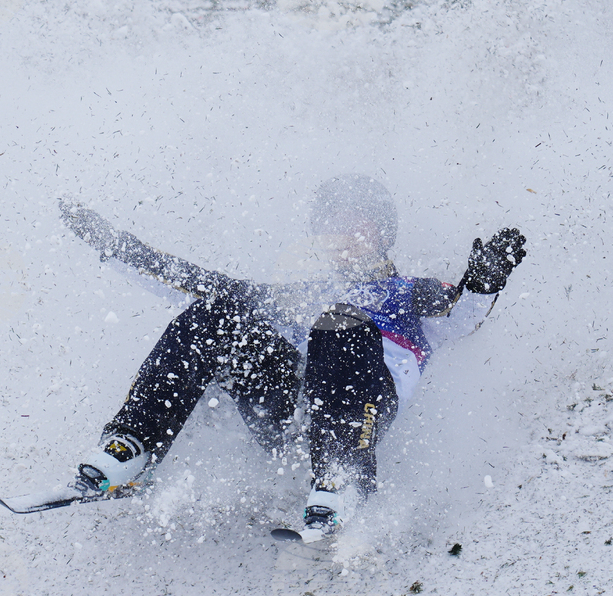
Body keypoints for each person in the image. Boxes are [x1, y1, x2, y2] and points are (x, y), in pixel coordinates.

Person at [58, 175, 526, 541]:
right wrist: (115, 246)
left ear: (383, 235)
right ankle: (131, 447)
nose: (347, 236)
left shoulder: (410, 294)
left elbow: (460, 318)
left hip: (358, 408)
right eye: (334, 226)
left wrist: (484, 283)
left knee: (340, 321)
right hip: (287, 412)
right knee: (217, 310)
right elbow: (192, 283)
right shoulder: (299, 296)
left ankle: (339, 477)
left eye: (359, 225)